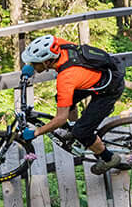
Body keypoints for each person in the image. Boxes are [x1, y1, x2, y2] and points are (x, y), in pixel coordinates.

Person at [17, 34, 125, 173]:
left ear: (47, 62)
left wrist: (36, 132)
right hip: (96, 76)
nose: (31, 65)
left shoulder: (66, 79)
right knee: (63, 100)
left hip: (109, 89)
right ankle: (74, 127)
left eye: (34, 62)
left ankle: (109, 158)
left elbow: (61, 118)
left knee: (82, 132)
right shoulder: (59, 46)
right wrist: (29, 71)